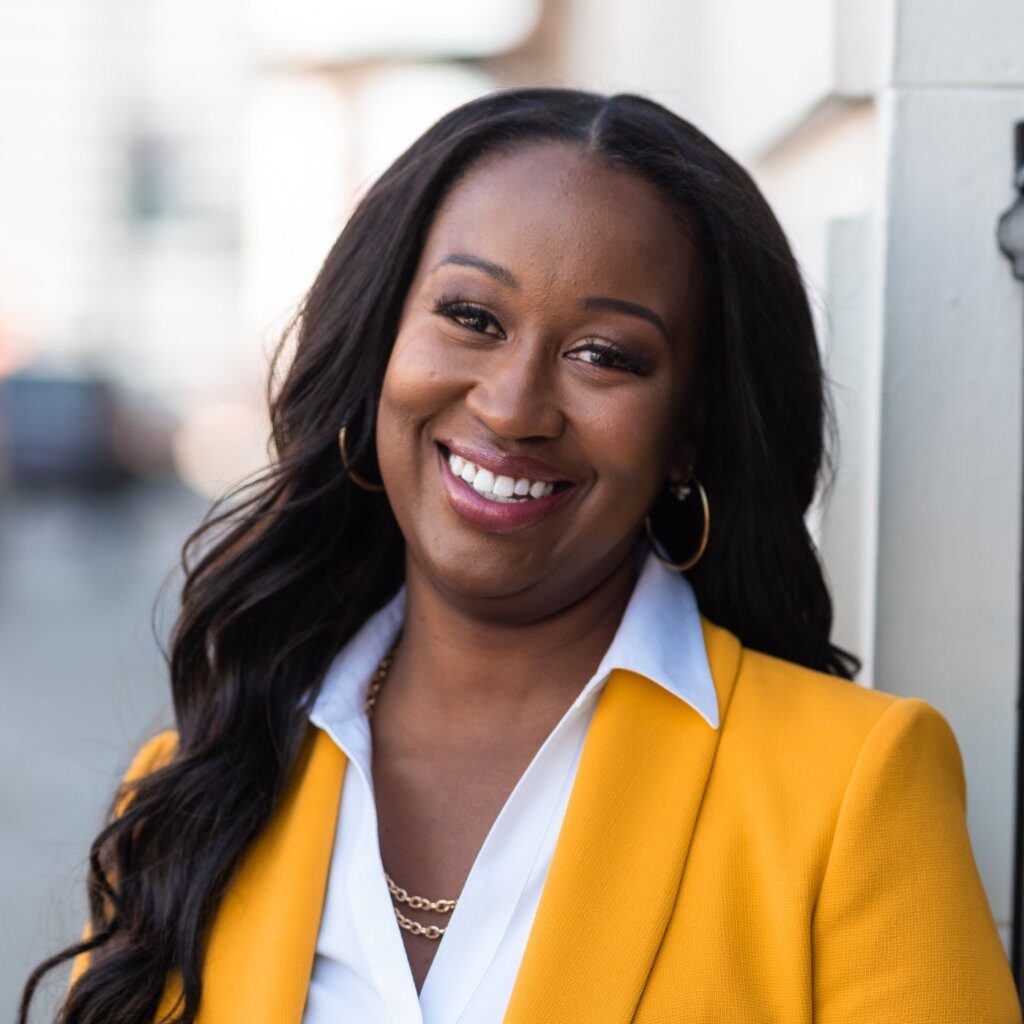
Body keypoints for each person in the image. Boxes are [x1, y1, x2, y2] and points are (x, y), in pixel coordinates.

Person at [21, 88, 1020, 1024]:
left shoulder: (848, 786)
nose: (510, 406)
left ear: (686, 432)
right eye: (470, 318)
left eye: (603, 355)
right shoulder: (194, 783)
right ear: (379, 353)